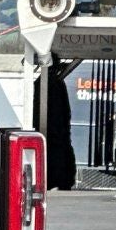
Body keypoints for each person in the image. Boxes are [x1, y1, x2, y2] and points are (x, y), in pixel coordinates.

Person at [44, 55, 77, 190]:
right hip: (57, 135)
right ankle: (61, 179)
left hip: (55, 135)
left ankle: (58, 179)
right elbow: (63, 113)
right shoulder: (57, 84)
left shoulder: (49, 84)